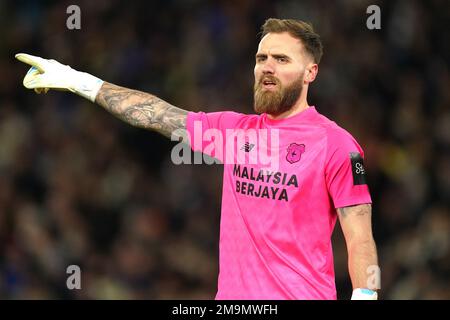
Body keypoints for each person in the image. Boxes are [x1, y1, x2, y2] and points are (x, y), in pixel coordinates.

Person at [16, 18, 379, 300]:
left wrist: (364, 295)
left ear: (309, 73)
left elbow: (360, 237)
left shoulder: (335, 144)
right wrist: (78, 80)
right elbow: (156, 114)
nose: (266, 67)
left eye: (281, 59)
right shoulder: (234, 132)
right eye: (261, 58)